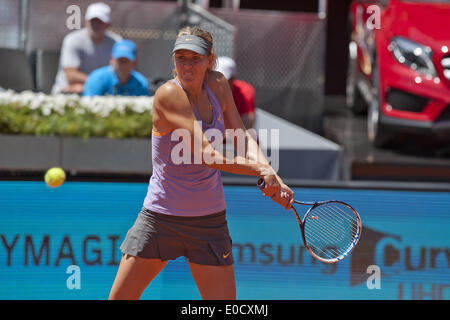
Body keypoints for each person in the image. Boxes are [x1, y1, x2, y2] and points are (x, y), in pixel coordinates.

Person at [108, 26, 294, 300]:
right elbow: (209, 156)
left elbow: (241, 136)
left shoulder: (218, 85)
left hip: (208, 221)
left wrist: (273, 176)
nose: (187, 65)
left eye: (195, 58)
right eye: (180, 57)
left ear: (210, 60)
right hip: (161, 218)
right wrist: (262, 170)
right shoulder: (168, 95)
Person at [51, 2, 122, 94]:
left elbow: (123, 72)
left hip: (103, 93)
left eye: (100, 21)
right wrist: (99, 83)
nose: (96, 24)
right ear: (86, 21)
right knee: (79, 88)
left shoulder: (116, 42)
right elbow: (71, 76)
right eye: (93, 21)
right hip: (68, 93)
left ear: (108, 24)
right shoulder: (72, 40)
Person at [82, 39, 150, 96]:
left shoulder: (141, 83)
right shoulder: (96, 79)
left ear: (134, 62)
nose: (122, 65)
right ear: (112, 59)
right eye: (119, 61)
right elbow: (88, 107)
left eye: (126, 61)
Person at [216, 56, 256, 129]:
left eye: (224, 79)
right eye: (216, 78)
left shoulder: (245, 91)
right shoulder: (206, 90)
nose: (219, 82)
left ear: (233, 79)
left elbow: (247, 124)